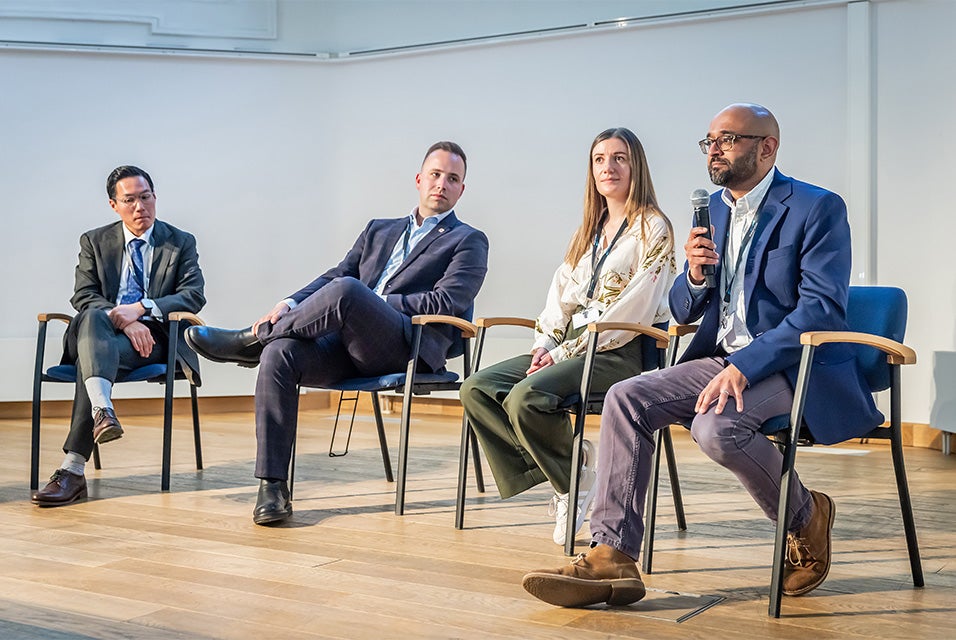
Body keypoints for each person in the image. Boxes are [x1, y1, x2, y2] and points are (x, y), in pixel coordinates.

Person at [521, 103, 884, 607]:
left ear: (767, 147)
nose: (714, 149)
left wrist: (745, 365)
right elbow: (684, 307)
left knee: (717, 429)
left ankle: (806, 515)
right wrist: (692, 275)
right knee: (626, 398)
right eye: (709, 140)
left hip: (792, 363)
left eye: (729, 139)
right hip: (720, 356)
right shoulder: (711, 210)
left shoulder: (816, 207)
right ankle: (612, 557)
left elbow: (821, 309)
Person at [185, 141, 489, 525]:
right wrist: (290, 303)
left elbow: (445, 301)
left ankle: (252, 340)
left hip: (403, 344)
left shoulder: (468, 240)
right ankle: (273, 488)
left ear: (462, 189)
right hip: (348, 341)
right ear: (418, 179)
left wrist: (372, 302)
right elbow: (336, 275)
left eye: (453, 178)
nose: (442, 183)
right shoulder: (379, 229)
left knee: (349, 293)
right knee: (282, 354)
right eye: (435, 174)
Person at [460, 127, 676, 546]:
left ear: (637, 167)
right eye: (599, 159)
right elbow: (558, 299)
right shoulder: (588, 231)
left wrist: (561, 355)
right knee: (477, 389)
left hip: (621, 350)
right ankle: (570, 475)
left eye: (619, 158)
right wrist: (544, 346)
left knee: (526, 398)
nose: (608, 167)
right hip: (570, 346)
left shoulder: (654, 227)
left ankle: (568, 480)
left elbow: (633, 308)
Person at [32, 165, 206, 507]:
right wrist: (123, 320)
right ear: (114, 205)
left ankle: (72, 469)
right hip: (101, 333)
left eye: (146, 197)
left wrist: (141, 309)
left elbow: (192, 294)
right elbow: (83, 295)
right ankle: (102, 411)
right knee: (93, 316)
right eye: (130, 200)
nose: (140, 207)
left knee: (89, 358)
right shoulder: (94, 241)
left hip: (153, 341)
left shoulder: (179, 242)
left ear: (155, 198)